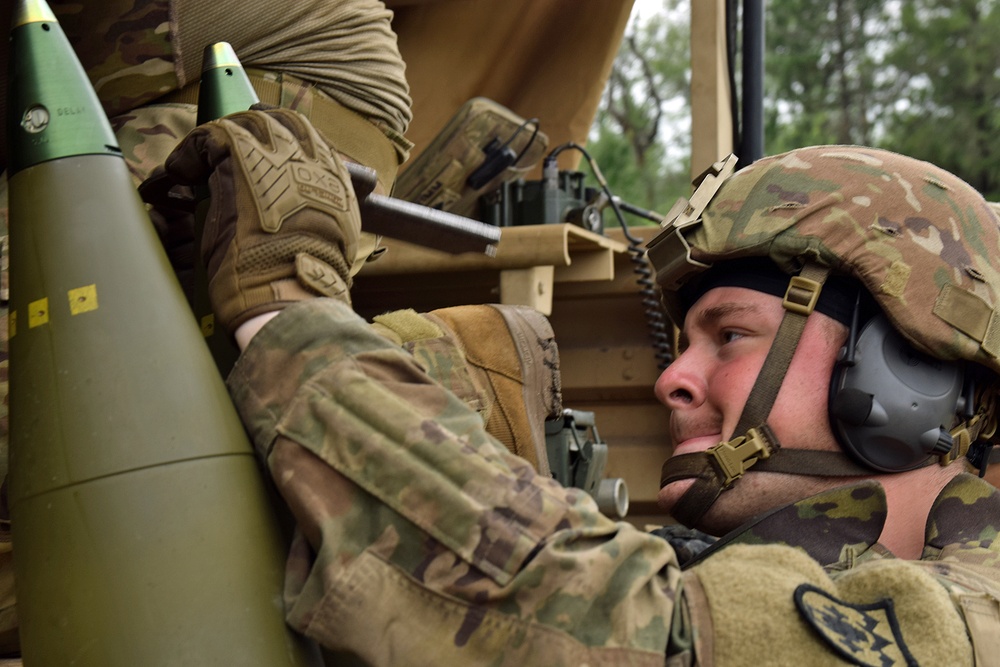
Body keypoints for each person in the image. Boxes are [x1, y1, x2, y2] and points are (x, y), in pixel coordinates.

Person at [147, 106, 999, 665]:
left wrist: (284, 308)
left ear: (910, 372)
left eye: (731, 334)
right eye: (683, 342)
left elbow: (630, 628)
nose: (671, 377)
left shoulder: (970, 622)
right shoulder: (772, 565)